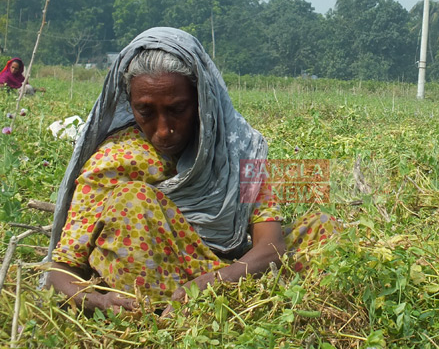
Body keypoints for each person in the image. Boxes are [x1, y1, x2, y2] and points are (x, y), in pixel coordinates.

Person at [46, 27, 337, 314]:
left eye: (178, 109)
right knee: (132, 201)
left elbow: (271, 245)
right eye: (145, 111)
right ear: (129, 103)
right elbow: (61, 269)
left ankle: (222, 307)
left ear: (202, 99)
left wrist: (211, 283)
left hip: (228, 275)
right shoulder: (114, 160)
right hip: (156, 287)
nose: (163, 130)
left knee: (323, 226)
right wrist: (95, 300)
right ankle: (169, 315)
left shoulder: (237, 150)